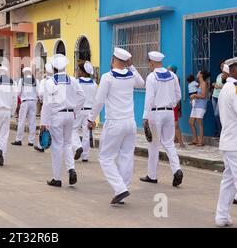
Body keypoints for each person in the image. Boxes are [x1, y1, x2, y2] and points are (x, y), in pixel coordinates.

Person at [88, 47, 145, 205]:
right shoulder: (131, 75)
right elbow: (142, 83)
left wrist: (91, 118)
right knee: (126, 156)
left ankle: (120, 189)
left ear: (113, 60)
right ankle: (123, 188)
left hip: (114, 122)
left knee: (105, 158)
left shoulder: (108, 77)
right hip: (130, 122)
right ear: (125, 61)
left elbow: (99, 101)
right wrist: (131, 66)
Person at [140, 51, 183, 187]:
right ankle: (177, 169)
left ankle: (152, 175)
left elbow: (149, 98)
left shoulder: (152, 77)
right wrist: (171, 105)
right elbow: (178, 95)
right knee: (169, 143)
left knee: (153, 144)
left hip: (155, 113)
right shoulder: (173, 76)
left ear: (152, 62)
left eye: (149, 63)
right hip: (169, 113)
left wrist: (145, 116)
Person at [41, 54, 85, 188]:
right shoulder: (72, 80)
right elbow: (82, 97)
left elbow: (47, 104)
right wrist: (75, 111)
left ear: (53, 67)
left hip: (56, 116)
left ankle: (57, 178)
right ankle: (71, 169)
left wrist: (44, 122)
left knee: (57, 146)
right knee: (67, 144)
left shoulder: (49, 82)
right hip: (70, 115)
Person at [214, 57, 237, 227]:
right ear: (234, 70)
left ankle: (222, 216)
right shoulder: (234, 89)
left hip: (228, 142)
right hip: (234, 143)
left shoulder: (227, 88)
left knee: (228, 182)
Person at [72, 61, 97, 163]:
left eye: (79, 70)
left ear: (82, 72)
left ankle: (78, 146)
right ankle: (85, 156)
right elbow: (96, 99)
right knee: (87, 133)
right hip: (90, 111)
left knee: (73, 130)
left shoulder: (76, 82)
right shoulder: (94, 84)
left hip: (79, 110)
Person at [12, 67, 39, 148]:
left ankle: (19, 139)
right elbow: (38, 92)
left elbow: (18, 92)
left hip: (25, 102)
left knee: (21, 121)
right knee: (32, 122)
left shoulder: (22, 80)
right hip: (33, 102)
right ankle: (31, 141)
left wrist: (21, 97)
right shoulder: (36, 80)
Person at [36, 62, 54, 153]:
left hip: (46, 106)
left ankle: (41, 145)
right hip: (57, 107)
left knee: (43, 125)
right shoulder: (56, 80)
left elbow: (41, 93)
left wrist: (41, 99)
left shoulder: (44, 81)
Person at [189, 70, 210, 147]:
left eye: (198, 72)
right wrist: (194, 98)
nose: (197, 73)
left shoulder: (204, 84)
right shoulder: (200, 84)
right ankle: (195, 140)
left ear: (201, 75)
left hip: (201, 106)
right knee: (191, 122)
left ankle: (201, 141)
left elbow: (203, 96)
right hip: (196, 105)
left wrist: (194, 95)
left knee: (199, 123)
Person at [211, 60, 227, 137]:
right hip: (214, 96)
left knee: (217, 114)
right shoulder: (219, 75)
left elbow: (229, 86)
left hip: (221, 97)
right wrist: (214, 84)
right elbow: (217, 85)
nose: (222, 67)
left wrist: (218, 86)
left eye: (223, 65)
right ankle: (218, 131)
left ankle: (221, 132)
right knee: (215, 115)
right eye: (221, 66)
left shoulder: (228, 76)